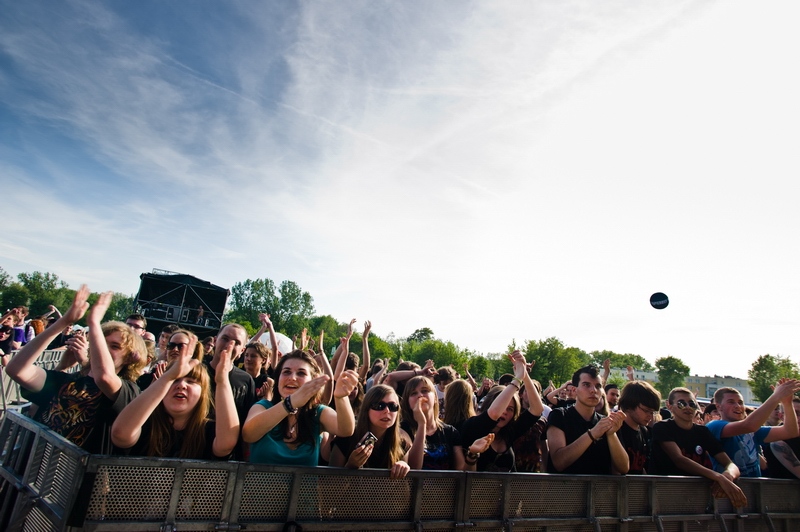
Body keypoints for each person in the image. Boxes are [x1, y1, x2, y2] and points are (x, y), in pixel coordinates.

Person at [5, 287, 146, 453]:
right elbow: (16, 369)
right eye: (100, 342)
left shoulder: (130, 391)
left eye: (114, 346)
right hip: (32, 472)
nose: (102, 348)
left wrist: (94, 323)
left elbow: (105, 377)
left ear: (130, 358)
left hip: (77, 476)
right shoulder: (64, 381)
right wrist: (63, 321)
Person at [111, 330, 239, 459]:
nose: (181, 385)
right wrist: (167, 377)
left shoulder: (208, 430)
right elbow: (120, 434)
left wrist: (222, 381)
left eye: (191, 381)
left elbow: (226, 445)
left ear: (203, 393)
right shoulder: (143, 423)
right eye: (175, 380)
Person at [243, 350, 359, 466]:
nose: (292, 378)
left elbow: (346, 429)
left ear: (313, 380)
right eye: (286, 372)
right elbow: (248, 434)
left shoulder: (317, 412)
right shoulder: (263, 407)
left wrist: (341, 397)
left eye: (301, 373)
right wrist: (290, 404)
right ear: (278, 379)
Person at [650, 388, 747, 508]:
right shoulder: (662, 427)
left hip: (697, 499)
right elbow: (679, 460)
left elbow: (730, 464)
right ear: (669, 406)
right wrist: (717, 476)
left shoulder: (702, 431)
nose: (687, 407)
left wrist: (728, 476)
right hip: (665, 495)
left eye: (692, 404)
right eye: (681, 404)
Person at [460, 351, 545, 472]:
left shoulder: (509, 431)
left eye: (510, 409)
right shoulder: (473, 426)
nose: (504, 412)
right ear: (489, 404)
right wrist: (517, 379)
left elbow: (537, 409)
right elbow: (494, 414)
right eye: (503, 406)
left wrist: (524, 374)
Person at [705, 379, 800, 477]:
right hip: (727, 488)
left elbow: (790, 432)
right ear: (719, 407)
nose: (738, 406)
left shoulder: (753, 431)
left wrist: (787, 403)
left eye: (740, 402)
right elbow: (749, 425)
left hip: (753, 489)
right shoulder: (714, 425)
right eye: (731, 402)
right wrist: (776, 396)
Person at [547, 365, 629, 475]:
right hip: (565, 490)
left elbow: (623, 468)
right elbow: (559, 463)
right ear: (575, 390)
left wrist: (611, 434)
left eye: (598, 386)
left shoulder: (606, 422)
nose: (593, 390)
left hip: (598, 490)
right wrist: (593, 434)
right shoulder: (559, 415)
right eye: (586, 385)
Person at [400, 375, 491, 471]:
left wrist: (472, 454)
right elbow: (413, 469)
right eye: (413, 393)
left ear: (435, 397)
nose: (420, 395)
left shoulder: (450, 431)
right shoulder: (403, 429)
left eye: (424, 391)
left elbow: (460, 472)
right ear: (408, 402)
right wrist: (422, 424)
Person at [329, 384, 411, 478]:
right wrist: (350, 466)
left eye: (393, 406)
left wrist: (403, 466)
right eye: (379, 405)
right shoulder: (346, 437)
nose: (387, 411)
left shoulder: (402, 441)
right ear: (366, 409)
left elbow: (404, 490)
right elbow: (328, 488)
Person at [616, 380, 661, 474]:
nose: (650, 416)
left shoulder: (644, 431)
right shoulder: (616, 429)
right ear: (629, 405)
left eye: (653, 412)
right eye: (646, 410)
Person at [766, 397, 800, 479]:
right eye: (795, 413)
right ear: (781, 416)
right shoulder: (777, 441)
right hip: (783, 490)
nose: (799, 418)